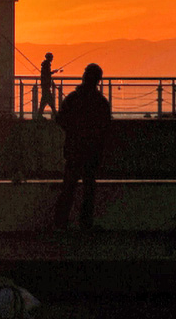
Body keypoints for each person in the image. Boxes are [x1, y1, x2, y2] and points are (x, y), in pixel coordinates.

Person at [53, 63, 111, 230]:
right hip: (92, 152)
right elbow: (105, 127)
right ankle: (85, 223)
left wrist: (73, 130)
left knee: (68, 188)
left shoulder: (73, 99)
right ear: (98, 80)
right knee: (89, 190)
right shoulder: (101, 102)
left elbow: (61, 119)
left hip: (74, 150)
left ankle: (60, 222)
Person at [35, 52, 59, 120]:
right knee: (49, 101)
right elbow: (47, 74)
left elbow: (46, 74)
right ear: (49, 58)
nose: (52, 59)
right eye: (51, 57)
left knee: (45, 101)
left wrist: (52, 72)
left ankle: (40, 115)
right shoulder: (47, 65)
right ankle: (56, 115)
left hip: (45, 85)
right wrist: (52, 73)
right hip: (46, 85)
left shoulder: (45, 65)